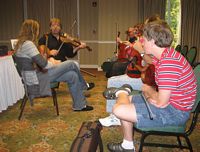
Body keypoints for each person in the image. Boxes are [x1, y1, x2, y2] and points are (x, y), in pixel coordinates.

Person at [105, 19, 197, 152]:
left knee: (119, 109)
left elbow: (160, 102)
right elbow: (149, 61)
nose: (141, 41)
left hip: (174, 112)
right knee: (127, 100)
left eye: (144, 39)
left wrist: (149, 92)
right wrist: (150, 93)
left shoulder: (168, 64)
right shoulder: (165, 55)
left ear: (153, 41)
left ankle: (122, 92)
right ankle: (127, 145)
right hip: (170, 104)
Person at [14, 19, 94, 111]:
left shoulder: (21, 44)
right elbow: (44, 65)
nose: (38, 32)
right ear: (32, 31)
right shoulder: (28, 44)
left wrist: (49, 60)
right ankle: (84, 86)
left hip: (37, 74)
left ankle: (79, 105)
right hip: (38, 77)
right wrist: (54, 62)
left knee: (72, 75)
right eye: (37, 30)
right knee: (72, 64)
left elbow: (36, 62)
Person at [38, 17, 95, 91]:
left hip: (62, 63)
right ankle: (83, 86)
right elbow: (40, 53)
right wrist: (49, 52)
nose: (55, 27)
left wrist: (79, 47)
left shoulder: (65, 39)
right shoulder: (45, 38)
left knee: (75, 66)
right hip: (52, 63)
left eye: (58, 25)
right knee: (73, 65)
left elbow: (70, 54)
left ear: (60, 28)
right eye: (53, 25)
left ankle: (79, 89)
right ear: (50, 27)